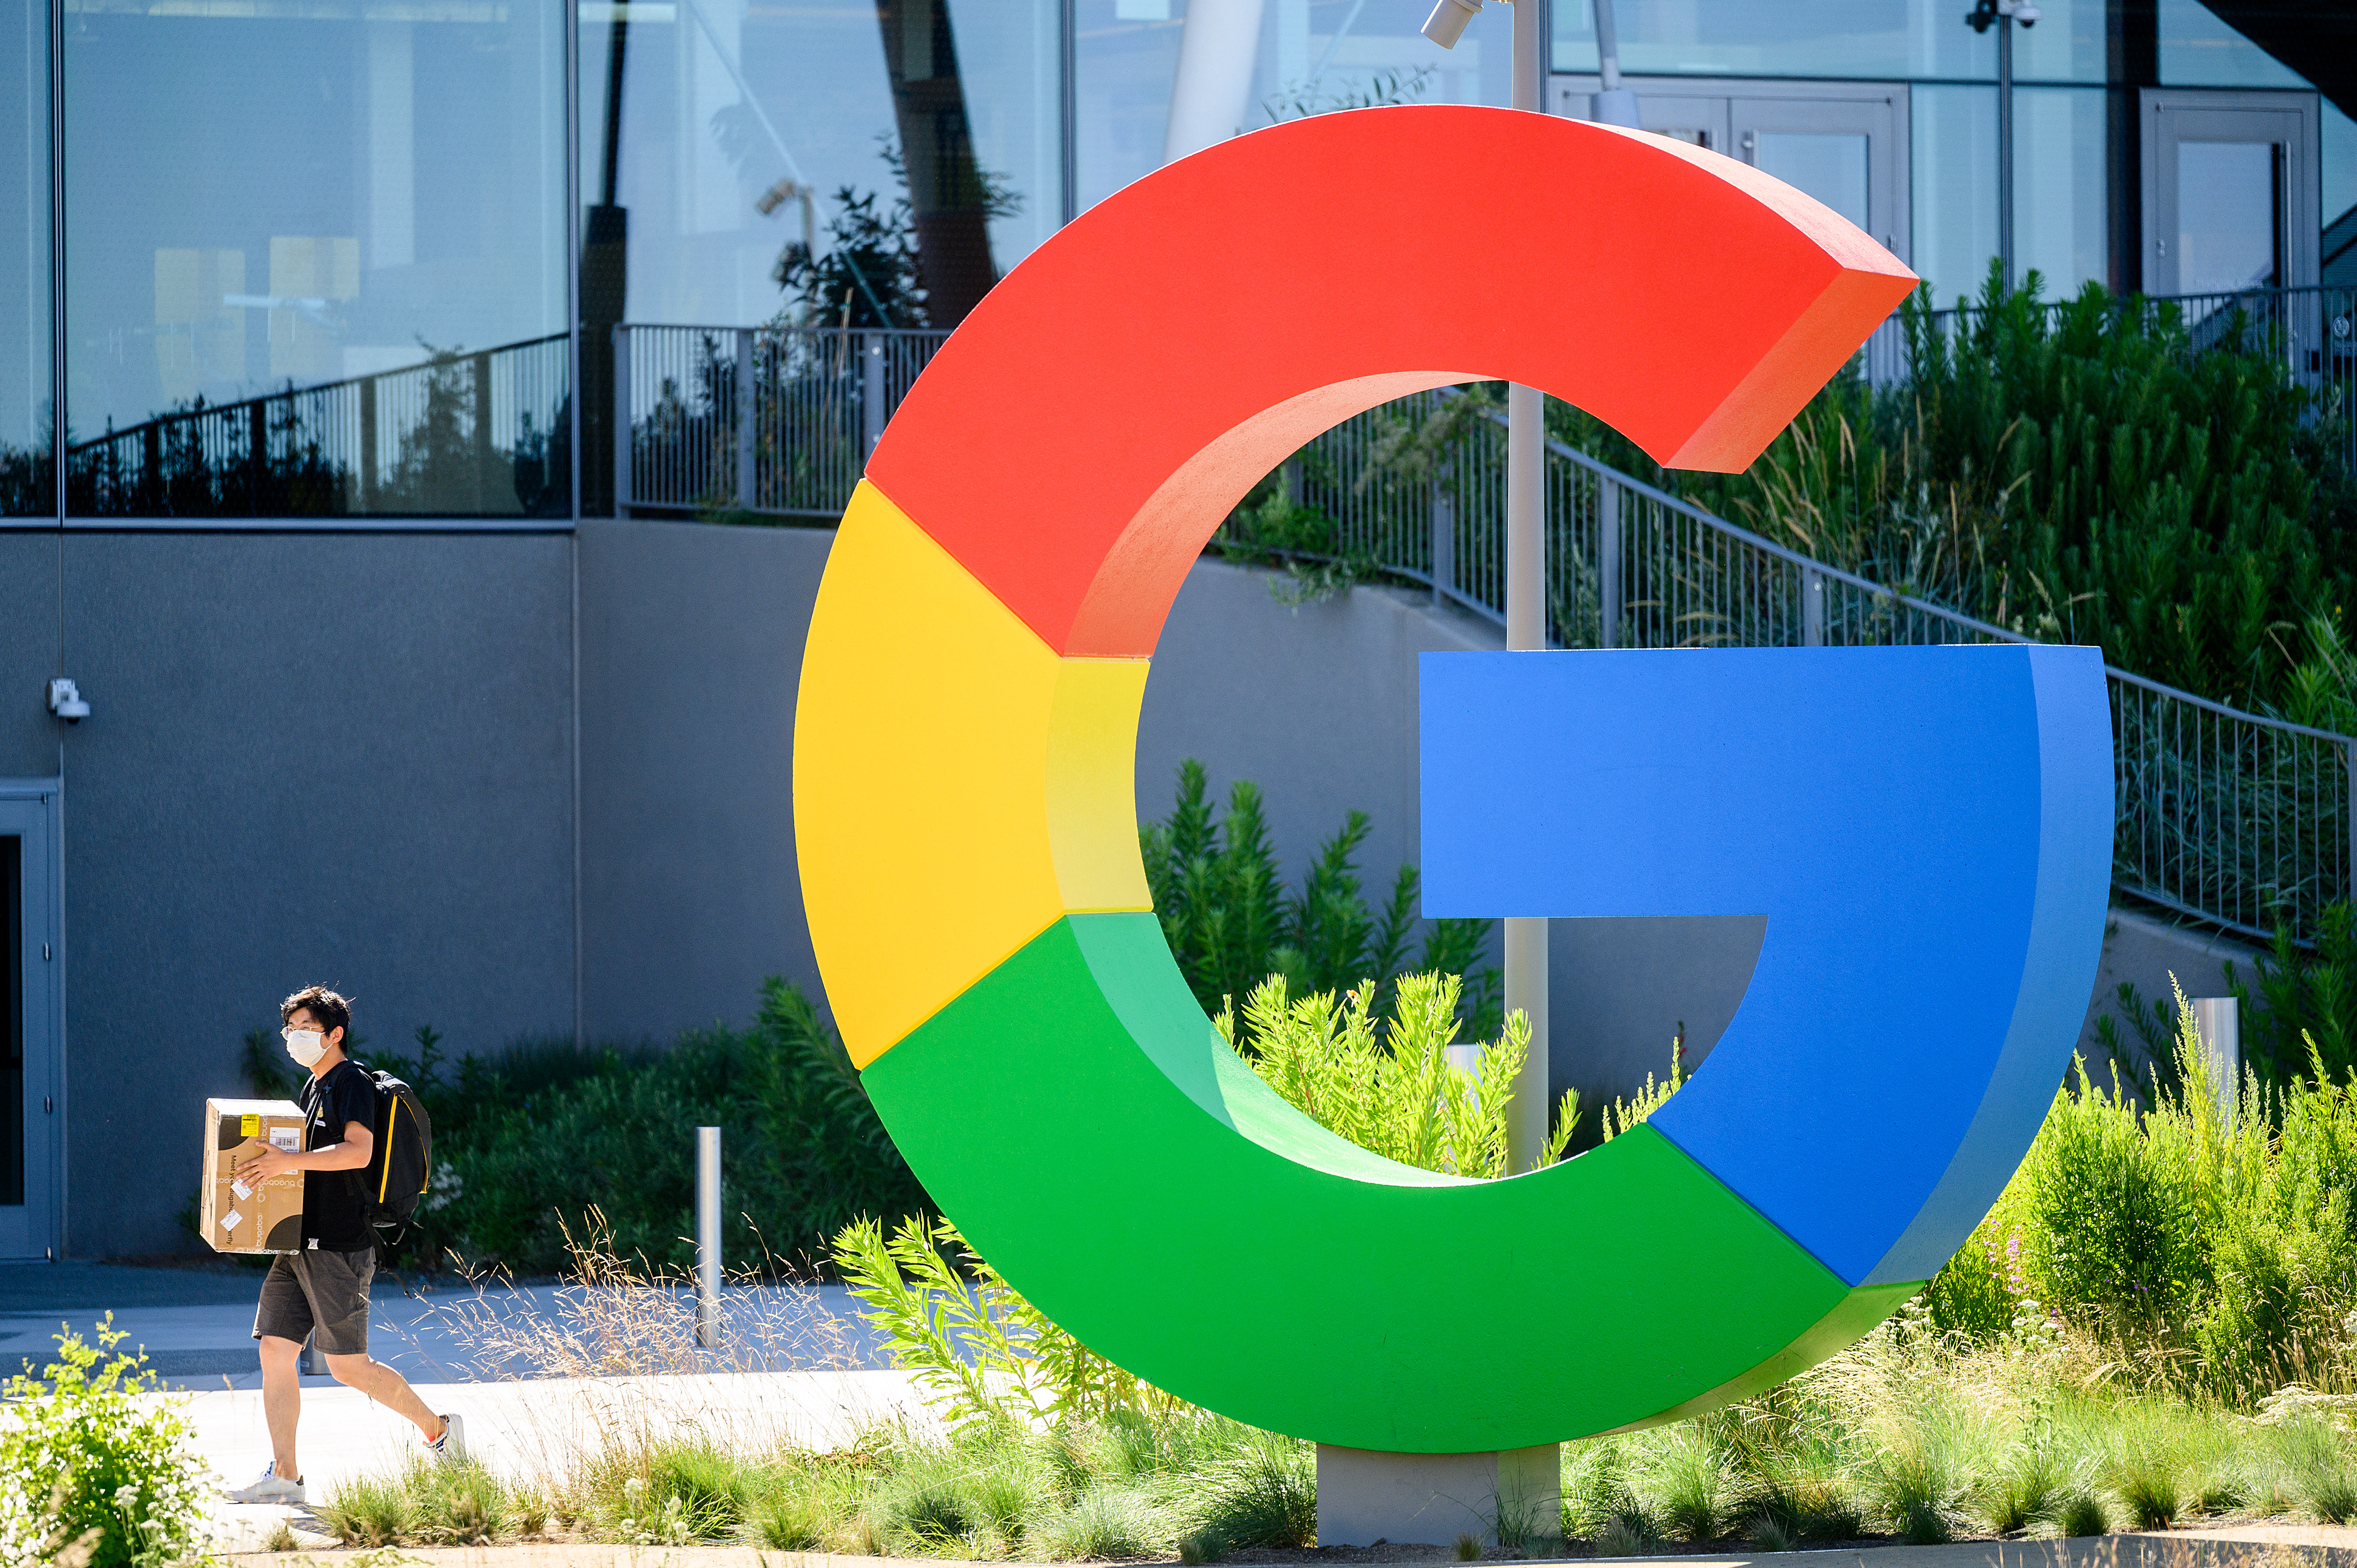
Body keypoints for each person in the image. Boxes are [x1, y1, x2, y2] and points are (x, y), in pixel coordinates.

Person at [224, 985, 464, 1504]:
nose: (294, 1039)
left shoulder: (350, 1081)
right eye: (290, 1030)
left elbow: (357, 1153)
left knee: (347, 1366)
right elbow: (311, 1161)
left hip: (338, 1246)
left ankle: (440, 1431)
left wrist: (288, 1163)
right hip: (299, 1244)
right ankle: (286, 1476)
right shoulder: (314, 1087)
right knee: (274, 1352)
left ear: (335, 1034)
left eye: (305, 1030)